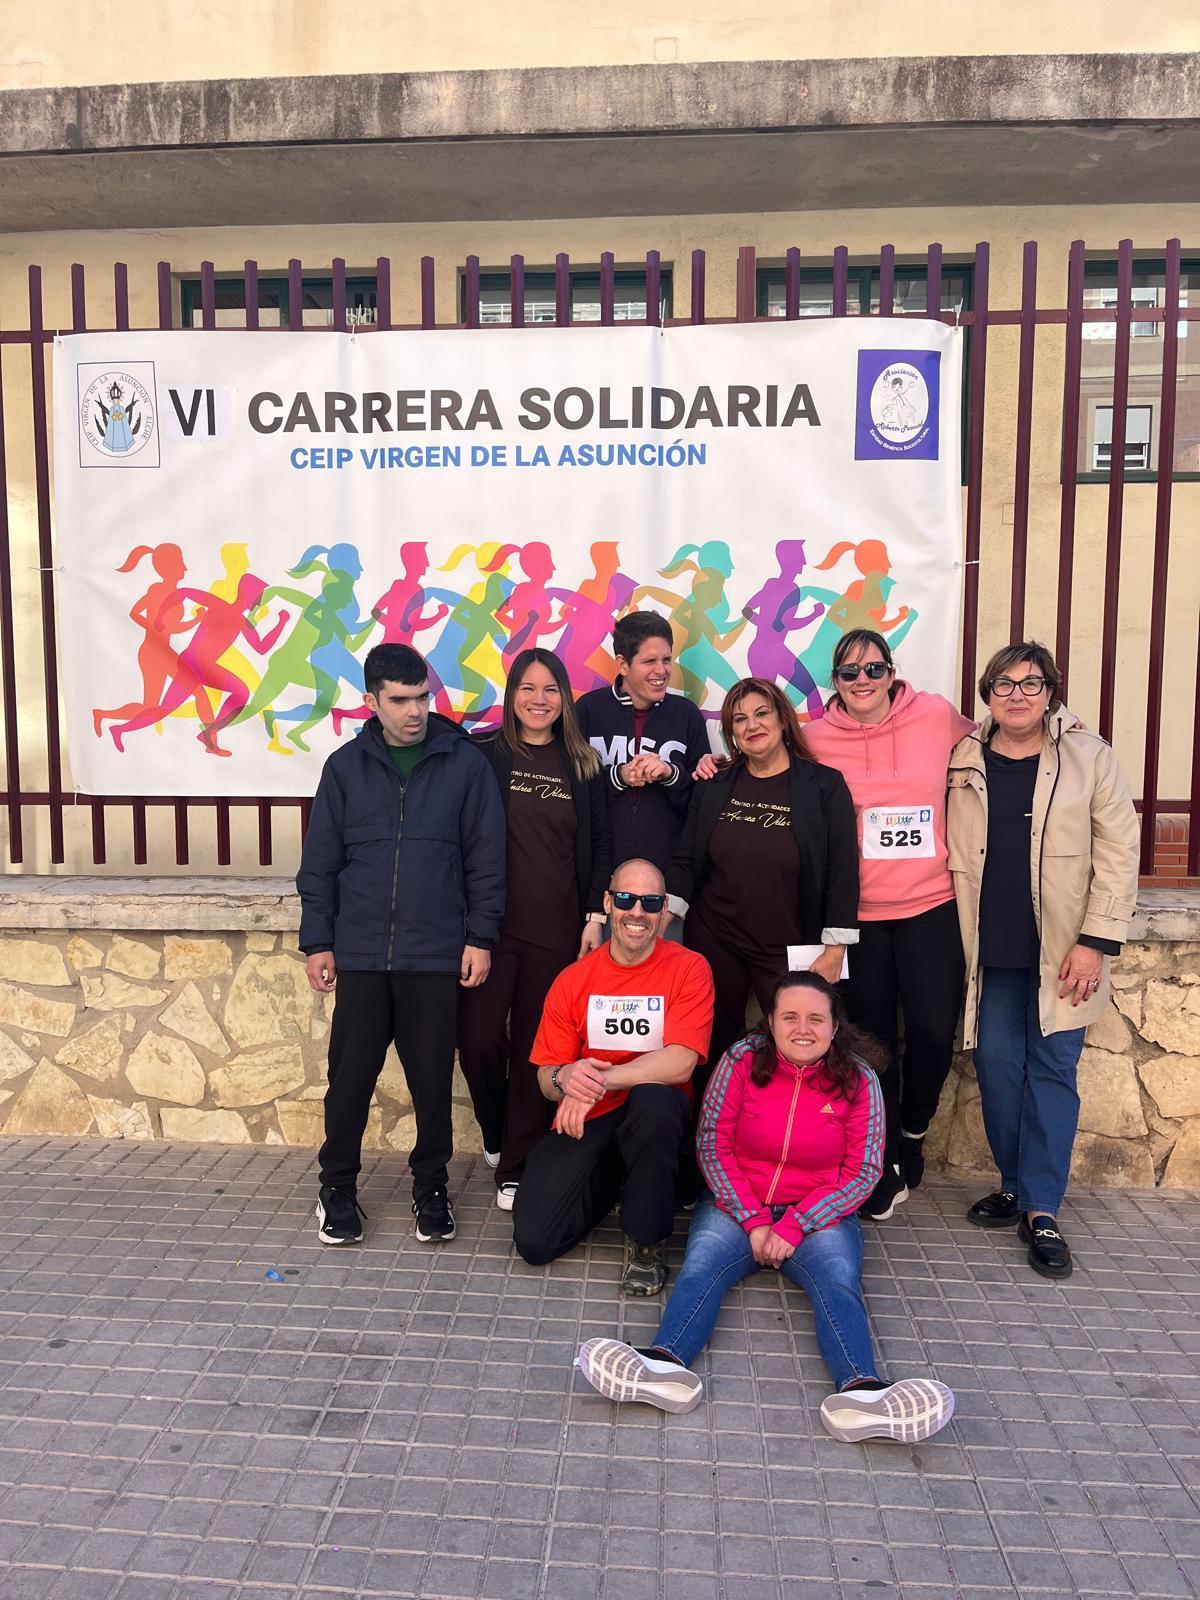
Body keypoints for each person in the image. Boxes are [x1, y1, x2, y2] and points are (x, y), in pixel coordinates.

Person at [576, 973, 955, 1444]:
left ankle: (861, 1393)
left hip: (817, 1212)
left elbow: (861, 1172)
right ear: (770, 1022)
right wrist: (755, 1220)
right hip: (740, 1203)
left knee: (838, 1281)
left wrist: (795, 1225)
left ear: (835, 1027)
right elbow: (712, 1143)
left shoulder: (860, 1079)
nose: (803, 1028)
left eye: (816, 1018)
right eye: (790, 1016)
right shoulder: (740, 1060)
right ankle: (664, 1366)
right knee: (701, 1265)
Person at [298, 642, 505, 1247]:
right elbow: (321, 864)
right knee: (351, 1079)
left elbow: (486, 861)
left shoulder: (464, 764)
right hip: (360, 953)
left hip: (434, 954)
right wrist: (318, 941)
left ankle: (430, 1188)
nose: (414, 711)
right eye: (400, 700)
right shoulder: (344, 768)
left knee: (432, 1081)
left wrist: (479, 938)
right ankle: (336, 1188)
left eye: (422, 697)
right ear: (371, 701)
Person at [948, 642, 1139, 1280]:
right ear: (988, 694)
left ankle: (1041, 1209)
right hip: (994, 949)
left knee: (1053, 1070)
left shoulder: (1089, 757)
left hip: (1065, 950)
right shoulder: (965, 757)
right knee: (999, 1068)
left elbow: (1118, 851)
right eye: (1003, 685)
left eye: (1031, 684)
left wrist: (1097, 940)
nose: (1017, 696)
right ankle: (1014, 1182)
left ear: (1051, 691)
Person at [803, 629, 976, 1221]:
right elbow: (770, 767)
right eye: (849, 674)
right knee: (872, 1042)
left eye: (873, 670)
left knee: (931, 1030)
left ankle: (913, 1127)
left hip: (932, 905)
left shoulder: (933, 714)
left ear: (891, 671)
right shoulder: (815, 737)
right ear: (835, 682)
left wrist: (1067, 732)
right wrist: (708, 765)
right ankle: (883, 1153)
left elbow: (1002, 737)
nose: (862, 683)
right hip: (860, 920)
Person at [513, 858, 714, 1295]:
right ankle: (618, 1182)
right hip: (592, 1117)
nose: (637, 912)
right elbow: (546, 1077)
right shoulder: (573, 979)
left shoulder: (689, 967)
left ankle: (646, 1241)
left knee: (653, 1102)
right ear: (608, 903)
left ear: (664, 910)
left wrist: (600, 1080)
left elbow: (680, 1061)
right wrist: (567, 1077)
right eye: (625, 899)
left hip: (657, 1118)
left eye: (650, 902)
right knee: (534, 1241)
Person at [459, 648, 612, 1211]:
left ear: (565, 697)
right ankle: (497, 1131)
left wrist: (594, 918)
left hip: (556, 929)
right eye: (528, 688)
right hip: (489, 929)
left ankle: (516, 1165)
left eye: (551, 689)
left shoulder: (584, 764)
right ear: (511, 693)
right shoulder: (483, 755)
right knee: (477, 1039)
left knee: (534, 1050)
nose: (539, 700)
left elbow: (599, 845)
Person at [669, 677, 859, 1089]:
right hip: (716, 936)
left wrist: (835, 949)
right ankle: (706, 1139)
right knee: (715, 1043)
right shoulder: (716, 784)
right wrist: (658, 919)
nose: (752, 725)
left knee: (793, 1047)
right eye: (740, 719)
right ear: (731, 733)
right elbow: (687, 858)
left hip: (789, 943)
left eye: (761, 713)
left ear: (783, 720)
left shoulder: (824, 787)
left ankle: (784, 1142)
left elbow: (843, 871)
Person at [575, 611, 710, 873]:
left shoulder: (687, 715)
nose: (662, 670)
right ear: (623, 664)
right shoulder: (588, 711)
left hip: (664, 882)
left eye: (667, 660)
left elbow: (702, 806)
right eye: (650, 661)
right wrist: (618, 776)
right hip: (597, 878)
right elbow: (571, 791)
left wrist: (670, 775)